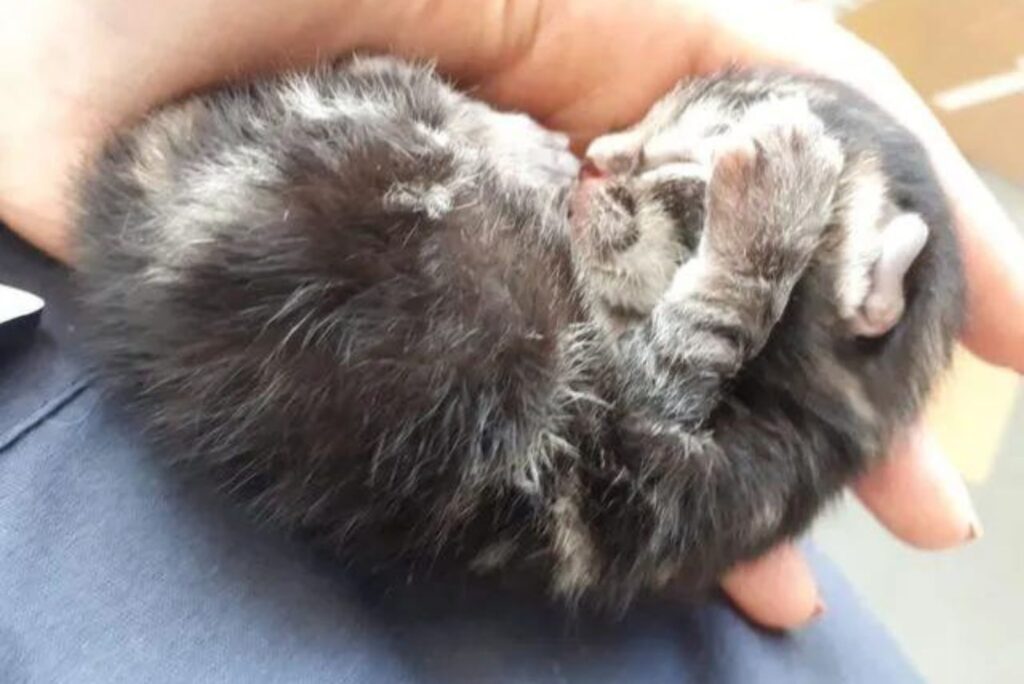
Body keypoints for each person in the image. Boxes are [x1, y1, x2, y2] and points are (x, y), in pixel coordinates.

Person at [0, 0, 1020, 665]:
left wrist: (733, 279)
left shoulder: (714, 460)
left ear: (863, 290)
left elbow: (642, 432)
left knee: (485, 347)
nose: (611, 151)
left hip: (249, 241)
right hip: (195, 240)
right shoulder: (753, 464)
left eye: (677, 170)